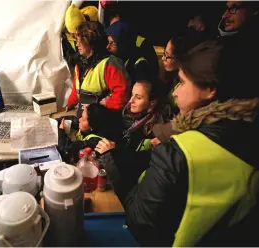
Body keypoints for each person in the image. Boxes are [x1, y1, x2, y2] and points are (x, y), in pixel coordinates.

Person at [96, 40, 259, 246]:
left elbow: (140, 222)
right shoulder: (247, 134)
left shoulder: (179, 153)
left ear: (209, 89)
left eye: (182, 82)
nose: (174, 92)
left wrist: (114, 169)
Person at [95, 79, 164, 182]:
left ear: (152, 102)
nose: (131, 101)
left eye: (138, 97)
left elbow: (136, 165)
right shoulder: (125, 115)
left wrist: (115, 151)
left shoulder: (154, 132)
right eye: (132, 95)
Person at [65, 21, 129, 118]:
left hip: (103, 122)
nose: (77, 45)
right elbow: (76, 90)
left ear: (89, 40)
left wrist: (108, 104)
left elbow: (122, 95)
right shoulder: (80, 64)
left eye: (79, 40)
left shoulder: (109, 64)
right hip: (85, 120)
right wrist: (70, 103)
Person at [106, 21, 154, 86]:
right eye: (108, 42)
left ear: (123, 44)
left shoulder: (139, 66)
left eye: (113, 43)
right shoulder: (122, 59)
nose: (108, 47)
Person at [62, 4, 99, 68]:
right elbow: (69, 60)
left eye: (80, 32)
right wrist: (81, 53)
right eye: (73, 33)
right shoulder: (64, 39)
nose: (76, 35)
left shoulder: (93, 24)